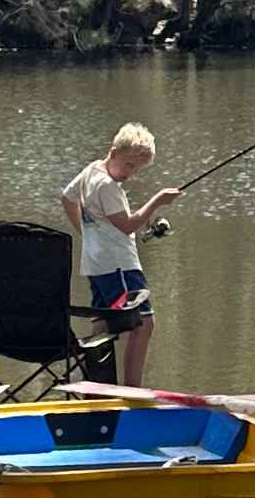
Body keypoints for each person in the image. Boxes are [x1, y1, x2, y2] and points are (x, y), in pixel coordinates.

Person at [59, 120, 179, 387]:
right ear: (113, 152)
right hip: (120, 267)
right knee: (143, 324)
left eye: (136, 169)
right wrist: (157, 201)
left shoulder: (91, 171)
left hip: (95, 264)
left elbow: (67, 199)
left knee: (102, 326)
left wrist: (86, 233)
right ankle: (132, 389)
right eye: (128, 165)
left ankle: (99, 388)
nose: (130, 173)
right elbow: (127, 225)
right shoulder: (108, 186)